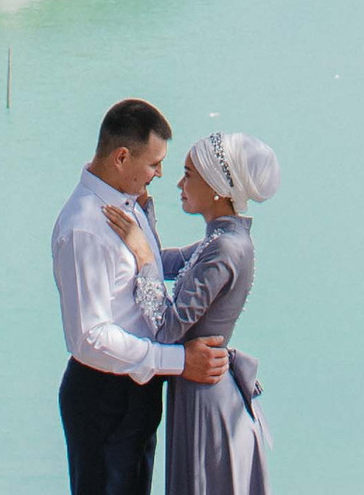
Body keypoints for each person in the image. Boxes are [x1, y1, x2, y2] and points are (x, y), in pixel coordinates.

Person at [53, 99, 231, 495]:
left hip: (133, 394)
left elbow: (143, 270)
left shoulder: (125, 205)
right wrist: (180, 361)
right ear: (121, 157)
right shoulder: (86, 228)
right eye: (153, 164)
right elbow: (91, 338)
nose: (161, 173)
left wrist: (222, 246)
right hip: (104, 398)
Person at [102, 130, 277, 495]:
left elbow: (167, 329)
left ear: (216, 186)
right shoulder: (219, 239)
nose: (179, 183)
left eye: (189, 175)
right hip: (198, 388)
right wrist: (142, 218)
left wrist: (143, 255)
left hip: (207, 399)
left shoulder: (225, 248)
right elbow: (167, 262)